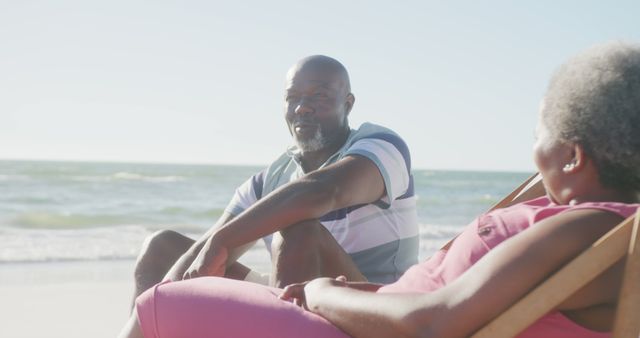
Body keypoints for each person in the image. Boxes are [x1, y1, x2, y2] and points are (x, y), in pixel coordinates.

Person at [120, 42, 640, 338]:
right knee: (166, 256)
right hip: (366, 308)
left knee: (162, 305)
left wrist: (322, 294)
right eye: (293, 97)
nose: (532, 154)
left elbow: (431, 322)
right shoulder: (582, 227)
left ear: (571, 156)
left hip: (357, 325)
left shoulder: (585, 230)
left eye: (537, 137)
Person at [131, 55, 419, 303]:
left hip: (374, 308)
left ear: (348, 103)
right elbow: (202, 253)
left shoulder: (381, 146)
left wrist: (222, 240)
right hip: (294, 296)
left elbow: (324, 191)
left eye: (318, 95)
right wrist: (163, 297)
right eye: (292, 97)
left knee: (297, 230)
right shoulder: (267, 180)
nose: (302, 107)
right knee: (163, 248)